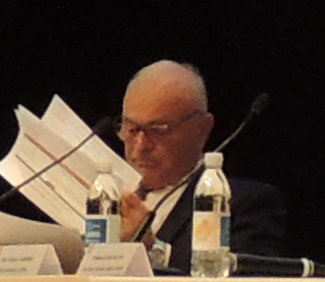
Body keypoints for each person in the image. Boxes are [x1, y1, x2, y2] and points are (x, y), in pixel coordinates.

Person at [107, 58, 294, 265]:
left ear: (202, 130)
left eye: (159, 130)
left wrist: (154, 250)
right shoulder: (104, 192)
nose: (141, 146)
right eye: (131, 129)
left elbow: (246, 278)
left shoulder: (244, 204)